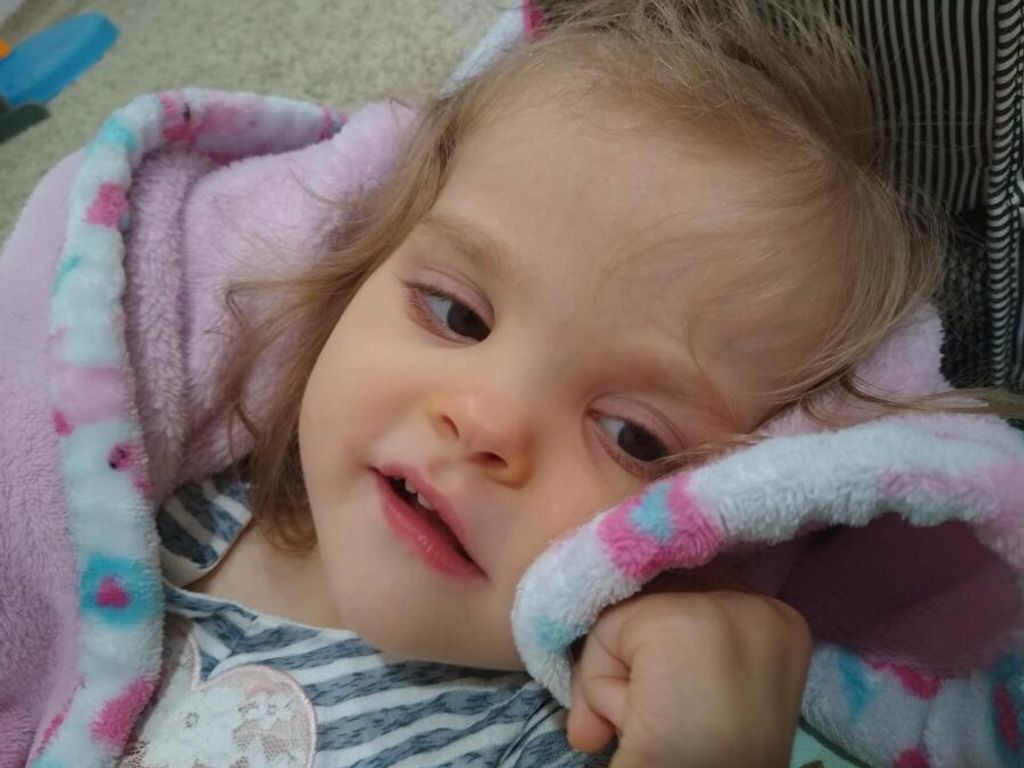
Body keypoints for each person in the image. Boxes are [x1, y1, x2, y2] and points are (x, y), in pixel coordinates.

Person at [4, 1, 1023, 767]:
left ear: (733, 518)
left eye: (632, 435)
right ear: (357, 263)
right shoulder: (131, 496)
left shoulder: (576, 732)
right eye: (456, 315)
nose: (484, 420)